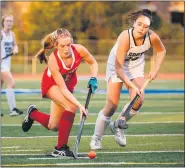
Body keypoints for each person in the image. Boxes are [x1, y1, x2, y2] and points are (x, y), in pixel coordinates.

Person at [90, 9, 166, 150]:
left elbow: (161, 50)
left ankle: (118, 125)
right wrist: (131, 85)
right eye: (139, 24)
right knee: (112, 105)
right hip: (116, 66)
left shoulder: (152, 37)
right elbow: (119, 69)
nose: (142, 29)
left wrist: (155, 69)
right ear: (134, 23)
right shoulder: (125, 37)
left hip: (135, 66)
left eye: (146, 26)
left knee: (138, 100)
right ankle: (96, 138)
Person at [22, 28, 98, 158]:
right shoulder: (53, 60)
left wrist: (93, 77)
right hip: (52, 84)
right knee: (72, 106)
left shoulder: (79, 49)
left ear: (72, 42)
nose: (66, 49)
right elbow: (61, 89)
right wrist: (80, 106)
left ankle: (32, 113)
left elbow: (93, 62)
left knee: (54, 126)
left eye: (68, 44)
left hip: (68, 85)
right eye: (62, 46)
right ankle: (60, 148)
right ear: (56, 46)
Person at [1, 14, 23, 116]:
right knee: (11, 83)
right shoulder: (1, 34)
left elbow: (15, 44)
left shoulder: (12, 34)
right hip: (2, 66)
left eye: (10, 21)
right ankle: (13, 110)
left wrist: (16, 48)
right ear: (3, 22)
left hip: (6, 64)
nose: (9, 23)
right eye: (7, 21)